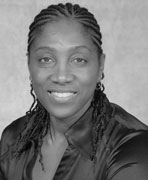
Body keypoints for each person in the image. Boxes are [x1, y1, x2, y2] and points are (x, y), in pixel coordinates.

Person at [0, 2, 148, 180]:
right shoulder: (14, 138)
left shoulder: (134, 149)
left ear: (100, 66)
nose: (61, 77)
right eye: (46, 59)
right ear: (29, 64)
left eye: (78, 60)